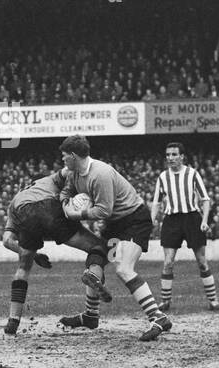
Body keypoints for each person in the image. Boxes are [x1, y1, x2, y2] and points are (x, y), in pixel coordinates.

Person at [56, 134, 173, 341]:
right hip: (115, 226)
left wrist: (77, 214)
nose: (62, 160)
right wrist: (67, 204)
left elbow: (103, 211)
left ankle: (158, 317)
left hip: (134, 222)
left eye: (64, 156)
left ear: (74, 155)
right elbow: (65, 192)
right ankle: (91, 316)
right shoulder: (74, 173)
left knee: (123, 268)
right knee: (95, 260)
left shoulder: (99, 174)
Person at [1, 165, 112, 335]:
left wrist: (35, 255)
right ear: (40, 180)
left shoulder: (15, 200)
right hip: (50, 209)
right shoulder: (49, 180)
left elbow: (7, 241)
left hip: (24, 214)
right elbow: (70, 170)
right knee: (98, 247)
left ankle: (13, 321)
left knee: (23, 268)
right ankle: (92, 308)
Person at [151, 141, 219, 312]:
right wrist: (151, 219)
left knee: (202, 262)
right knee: (168, 262)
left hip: (192, 219)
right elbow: (156, 202)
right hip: (171, 220)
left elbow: (205, 199)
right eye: (168, 155)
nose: (170, 158)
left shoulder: (192, 174)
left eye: (174, 154)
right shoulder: (162, 177)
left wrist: (204, 221)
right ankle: (165, 302)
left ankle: (213, 300)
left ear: (182, 156)